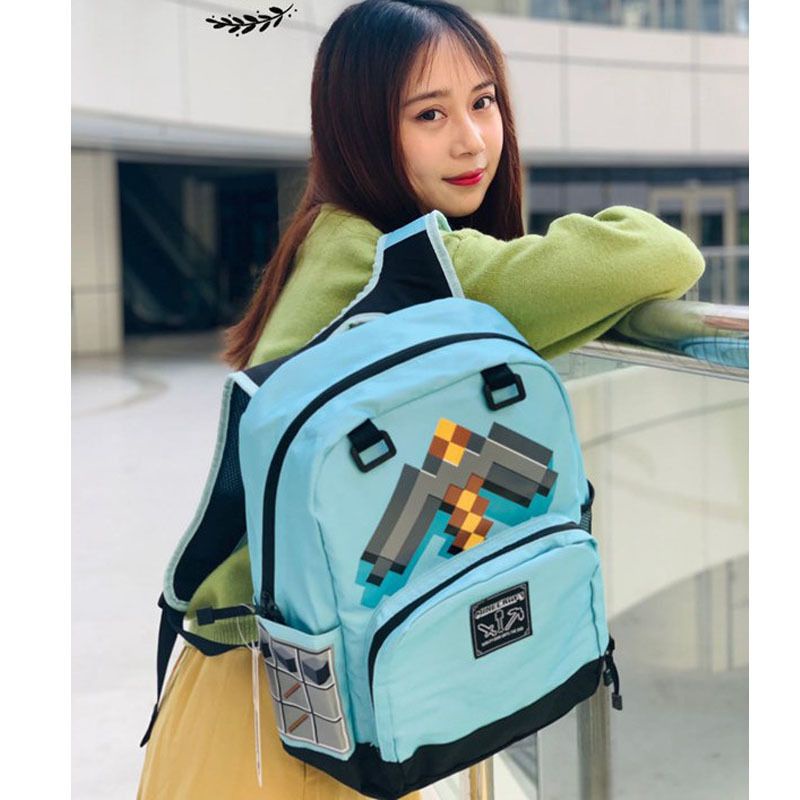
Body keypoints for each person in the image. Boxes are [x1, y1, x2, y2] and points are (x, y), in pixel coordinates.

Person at [137, 1, 705, 797]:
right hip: (288, 713)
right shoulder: (396, 263)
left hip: (308, 677)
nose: (470, 139)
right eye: (429, 114)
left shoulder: (336, 234)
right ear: (362, 130)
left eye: (483, 102)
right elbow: (661, 253)